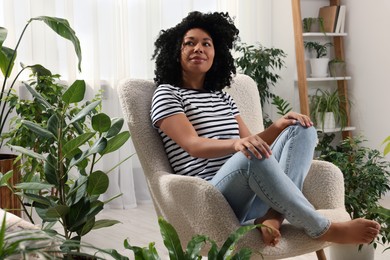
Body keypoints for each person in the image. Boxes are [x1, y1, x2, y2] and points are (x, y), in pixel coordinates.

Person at [150, 11, 380, 247]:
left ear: (215, 55)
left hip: (253, 192)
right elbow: (193, 145)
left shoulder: (222, 98)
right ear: (175, 52)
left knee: (301, 128)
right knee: (250, 154)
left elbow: (253, 141)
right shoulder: (167, 93)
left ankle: (272, 215)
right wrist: (236, 145)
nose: (198, 48)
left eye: (206, 44)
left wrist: (279, 126)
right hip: (211, 198)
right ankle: (321, 228)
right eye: (190, 43)